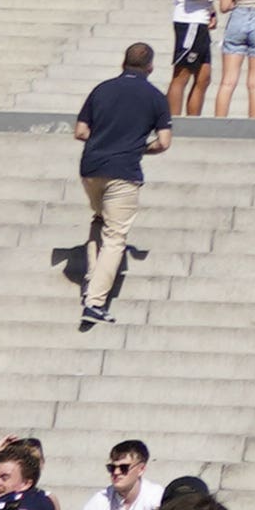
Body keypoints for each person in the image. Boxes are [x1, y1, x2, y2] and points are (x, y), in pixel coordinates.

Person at [71, 39, 173, 326]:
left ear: (123, 62)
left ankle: (93, 276)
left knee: (99, 219)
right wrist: (139, 147)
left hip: (90, 168)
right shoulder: (155, 97)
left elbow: (80, 131)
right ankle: (95, 302)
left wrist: (104, 141)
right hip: (124, 171)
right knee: (115, 237)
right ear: (150, 66)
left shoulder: (101, 89)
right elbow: (164, 142)